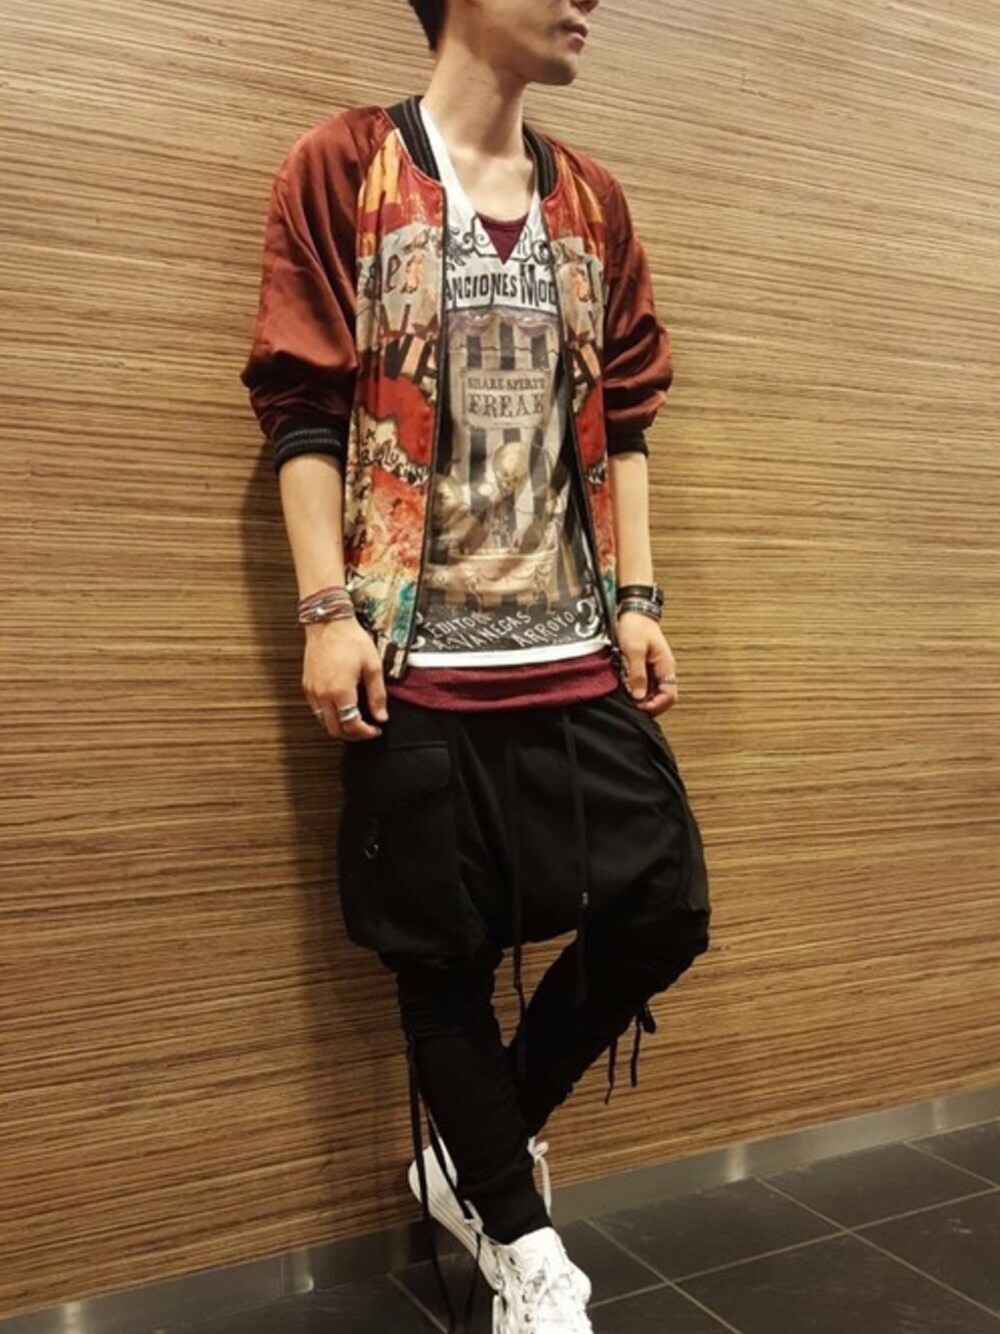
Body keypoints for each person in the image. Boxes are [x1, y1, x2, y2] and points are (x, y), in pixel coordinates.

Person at [239, 1, 712, 1329]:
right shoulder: (346, 167)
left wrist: (638, 597)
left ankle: (472, 1154)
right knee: (436, 957)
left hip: (572, 640)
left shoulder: (591, 202)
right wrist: (324, 610)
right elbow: (301, 405)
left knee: (665, 903)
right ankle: (524, 1245)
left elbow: (623, 416)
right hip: (412, 652)